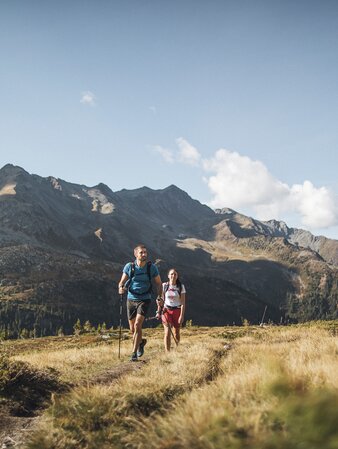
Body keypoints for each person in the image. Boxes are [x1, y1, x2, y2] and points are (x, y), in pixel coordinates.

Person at [118, 244, 162, 361]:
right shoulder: (129, 267)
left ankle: (133, 353)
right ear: (135, 254)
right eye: (141, 252)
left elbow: (158, 283)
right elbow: (121, 282)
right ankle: (141, 342)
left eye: (145, 253)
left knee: (138, 325)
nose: (144, 255)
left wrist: (159, 296)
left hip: (145, 298)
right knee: (133, 328)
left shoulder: (151, 267)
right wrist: (120, 288)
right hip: (131, 298)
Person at [159, 268, 186, 352]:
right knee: (167, 331)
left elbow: (183, 303)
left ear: (177, 276)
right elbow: (161, 299)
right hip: (166, 310)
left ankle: (177, 348)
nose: (173, 276)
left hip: (177, 310)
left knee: (176, 332)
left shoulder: (181, 287)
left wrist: (181, 315)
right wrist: (158, 310)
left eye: (175, 274)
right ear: (168, 276)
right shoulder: (164, 286)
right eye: (171, 274)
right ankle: (168, 352)